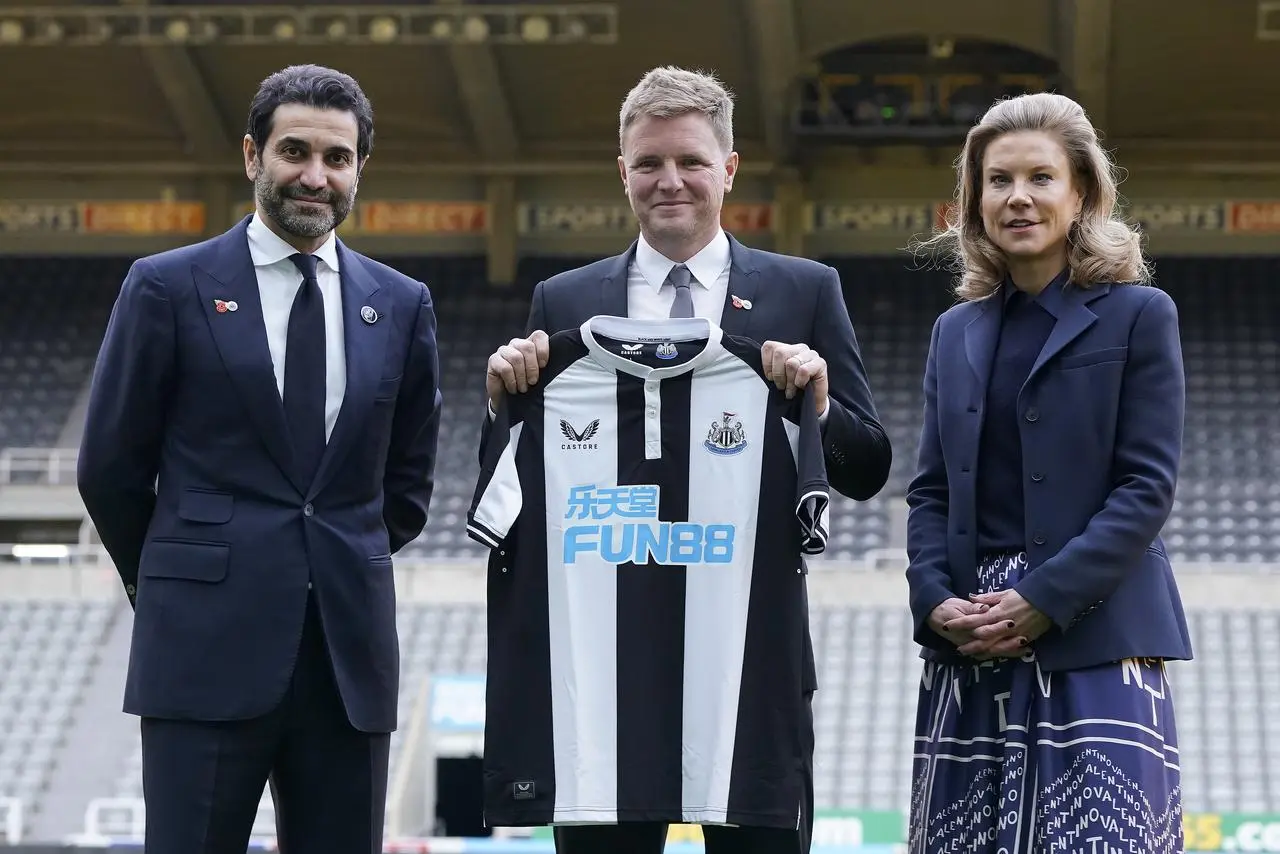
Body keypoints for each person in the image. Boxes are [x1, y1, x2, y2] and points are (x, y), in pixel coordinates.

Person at [480, 66, 892, 854]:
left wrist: (818, 402)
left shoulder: (805, 290)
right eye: (649, 164)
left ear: (728, 168)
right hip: (602, 675)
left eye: (691, 162)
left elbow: (868, 468)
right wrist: (503, 398)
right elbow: (521, 478)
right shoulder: (564, 301)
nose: (670, 182)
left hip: (750, 668)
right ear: (623, 172)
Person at [77, 64, 442, 854]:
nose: (315, 176)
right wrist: (183, 573)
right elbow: (108, 466)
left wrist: (335, 558)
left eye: (337, 158)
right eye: (294, 151)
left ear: (358, 171)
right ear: (253, 156)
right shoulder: (166, 288)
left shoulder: (403, 304)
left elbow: (407, 484)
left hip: (346, 662)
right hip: (202, 651)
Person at [904, 91, 1191, 853]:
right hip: (973, 641)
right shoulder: (952, 332)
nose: (1017, 198)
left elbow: (1145, 487)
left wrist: (1043, 598)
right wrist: (934, 601)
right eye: (997, 181)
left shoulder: (1140, 314)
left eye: (1040, 178)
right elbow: (931, 490)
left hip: (1093, 631)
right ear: (974, 201)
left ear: (1083, 194)